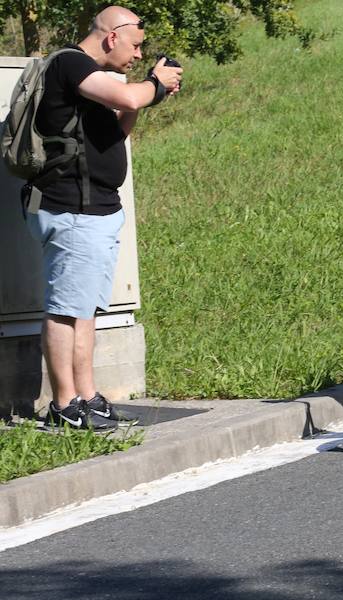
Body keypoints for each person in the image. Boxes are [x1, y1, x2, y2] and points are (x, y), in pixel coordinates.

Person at [27, 6, 182, 430]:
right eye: (134, 46)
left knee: (84, 310)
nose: (135, 56)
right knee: (64, 310)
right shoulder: (70, 63)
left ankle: (87, 396)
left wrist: (144, 93)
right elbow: (133, 95)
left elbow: (115, 132)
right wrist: (156, 84)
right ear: (112, 36)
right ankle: (63, 404)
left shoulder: (92, 80)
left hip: (95, 211)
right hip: (72, 211)